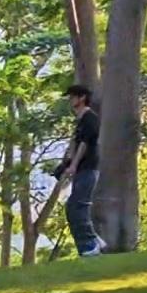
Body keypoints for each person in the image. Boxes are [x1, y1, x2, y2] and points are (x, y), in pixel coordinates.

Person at [56, 84, 103, 257]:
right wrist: (66, 164)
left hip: (88, 168)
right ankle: (92, 243)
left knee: (78, 206)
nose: (70, 100)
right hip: (83, 169)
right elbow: (75, 144)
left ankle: (90, 245)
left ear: (82, 97)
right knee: (74, 207)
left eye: (72, 96)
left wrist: (74, 165)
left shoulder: (90, 118)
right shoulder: (81, 120)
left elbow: (85, 144)